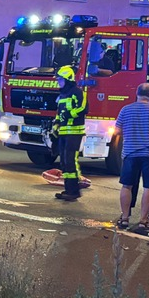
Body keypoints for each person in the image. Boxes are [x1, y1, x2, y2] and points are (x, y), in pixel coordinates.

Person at [115, 83, 149, 227]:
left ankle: (125, 218)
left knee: (127, 186)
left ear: (137, 93)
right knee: (148, 187)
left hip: (130, 153)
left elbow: (117, 131)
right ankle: (143, 221)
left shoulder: (125, 109)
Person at [53, 65, 87, 201]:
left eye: (60, 79)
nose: (58, 82)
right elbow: (58, 112)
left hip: (75, 132)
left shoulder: (77, 92)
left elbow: (83, 108)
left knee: (71, 161)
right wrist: (56, 124)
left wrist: (69, 114)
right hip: (64, 132)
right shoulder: (62, 94)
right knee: (64, 162)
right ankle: (68, 189)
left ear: (67, 79)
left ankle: (74, 191)